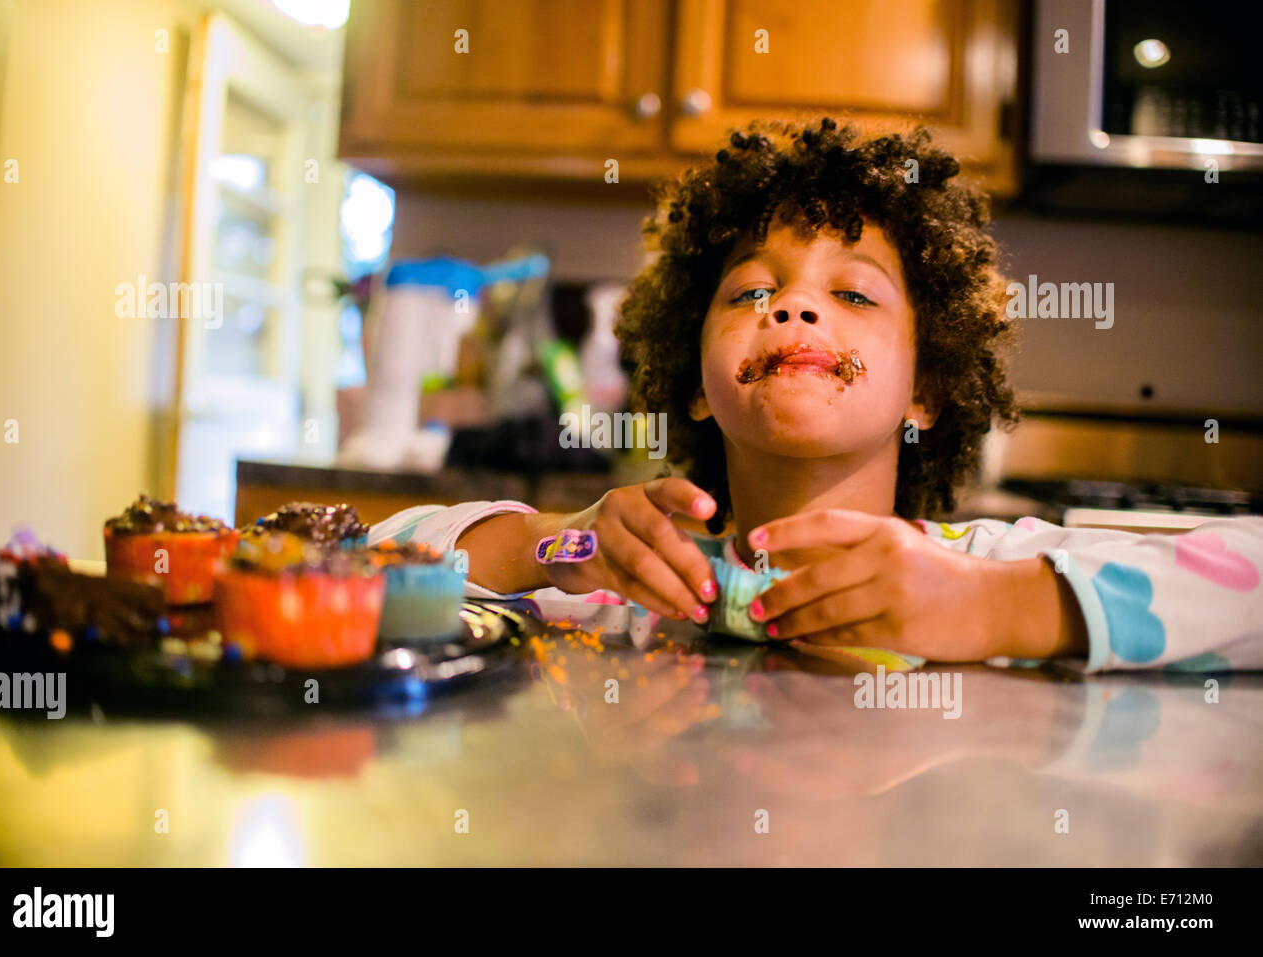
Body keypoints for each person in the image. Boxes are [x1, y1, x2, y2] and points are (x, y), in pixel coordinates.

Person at [370, 118, 1262, 673]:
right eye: (753, 291)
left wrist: (999, 608)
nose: (792, 304)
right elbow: (353, 569)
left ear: (928, 391)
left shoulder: (989, 566)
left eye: (856, 293)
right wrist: (545, 544)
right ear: (693, 387)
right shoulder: (627, 579)